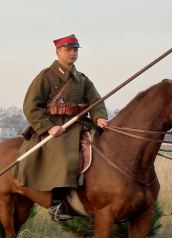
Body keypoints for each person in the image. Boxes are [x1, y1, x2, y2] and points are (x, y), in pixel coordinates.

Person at [16, 34, 109, 220]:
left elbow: (96, 101)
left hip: (78, 123)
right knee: (66, 154)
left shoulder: (82, 79)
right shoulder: (46, 76)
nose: (72, 53)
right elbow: (30, 106)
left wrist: (99, 117)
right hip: (55, 126)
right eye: (68, 50)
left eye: (75, 50)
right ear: (58, 52)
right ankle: (56, 204)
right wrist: (48, 128)